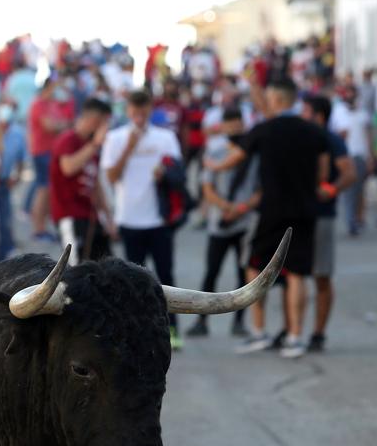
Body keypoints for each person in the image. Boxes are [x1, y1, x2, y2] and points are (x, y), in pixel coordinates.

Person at [210, 78, 329, 359]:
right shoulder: (313, 131)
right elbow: (323, 175)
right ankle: (296, 337)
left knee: (255, 268)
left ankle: (259, 331)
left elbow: (236, 158)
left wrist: (212, 165)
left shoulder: (263, 130)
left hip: (271, 211)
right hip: (304, 210)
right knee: (298, 274)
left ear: (274, 100)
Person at [100, 88, 184, 348]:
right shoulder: (115, 138)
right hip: (129, 219)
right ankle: (135, 333)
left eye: (144, 111)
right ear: (128, 111)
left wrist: (165, 174)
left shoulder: (166, 137)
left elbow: (178, 174)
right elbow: (111, 177)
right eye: (135, 112)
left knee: (166, 276)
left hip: (159, 220)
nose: (139, 117)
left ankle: (171, 331)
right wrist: (129, 148)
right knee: (132, 281)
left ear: (150, 109)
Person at [187, 105, 256, 339]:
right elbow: (207, 188)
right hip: (220, 222)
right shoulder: (215, 152)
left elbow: (260, 189)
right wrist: (226, 207)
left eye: (238, 124)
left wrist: (241, 208)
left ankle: (239, 321)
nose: (235, 129)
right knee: (211, 273)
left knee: (243, 273)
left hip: (244, 222)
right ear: (224, 126)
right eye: (230, 124)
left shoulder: (251, 152)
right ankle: (202, 321)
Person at [302, 93, 356, 351]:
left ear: (318, 116)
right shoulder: (301, 138)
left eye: (305, 112)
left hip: (321, 216)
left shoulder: (331, 140)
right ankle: (292, 331)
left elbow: (349, 173)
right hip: (299, 215)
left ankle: (318, 333)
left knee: (321, 275)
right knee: (293, 277)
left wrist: (330, 190)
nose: (301, 116)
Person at [49, 97, 114, 263]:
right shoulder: (69, 139)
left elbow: (96, 184)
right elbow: (68, 168)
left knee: (104, 266)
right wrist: (94, 144)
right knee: (76, 269)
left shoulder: (90, 146)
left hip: (90, 215)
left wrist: (108, 218)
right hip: (70, 214)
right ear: (94, 121)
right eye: (103, 124)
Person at [26, 78, 73, 241]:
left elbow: (60, 123)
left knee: (46, 190)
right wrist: (64, 125)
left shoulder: (52, 104)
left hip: (51, 151)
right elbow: (50, 126)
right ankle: (38, 229)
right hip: (42, 151)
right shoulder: (39, 104)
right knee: (43, 189)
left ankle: (42, 226)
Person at [330, 84, 369, 235]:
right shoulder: (338, 111)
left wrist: (370, 155)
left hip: (360, 155)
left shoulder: (362, 112)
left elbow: (367, 134)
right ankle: (350, 221)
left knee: (359, 190)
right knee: (348, 191)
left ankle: (358, 218)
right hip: (345, 157)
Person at [0, 97, 28, 261]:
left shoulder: (18, 133)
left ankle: (3, 253)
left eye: (11, 108)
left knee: (5, 219)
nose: (6, 111)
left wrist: (17, 176)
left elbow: (21, 159)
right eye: (4, 106)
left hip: (4, 181)